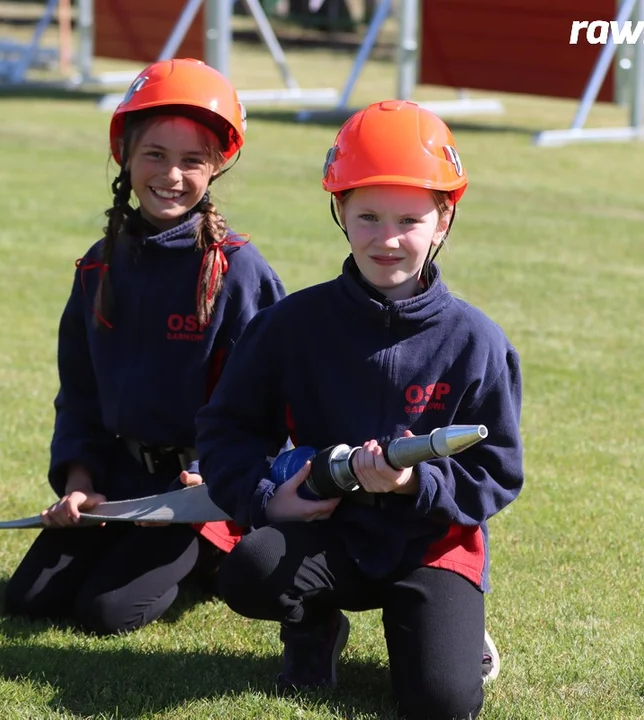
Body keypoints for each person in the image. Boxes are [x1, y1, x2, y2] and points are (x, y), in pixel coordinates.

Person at [194, 100, 524, 720]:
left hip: (429, 543)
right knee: (248, 570)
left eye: (409, 218)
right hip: (327, 533)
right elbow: (227, 428)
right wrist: (269, 498)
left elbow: (497, 473)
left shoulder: (478, 341)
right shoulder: (290, 326)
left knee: (442, 704)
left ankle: (443, 627)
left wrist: (415, 482)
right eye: (366, 215)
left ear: (444, 218)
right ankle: (315, 627)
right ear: (339, 211)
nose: (388, 238)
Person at [3, 58, 287, 636]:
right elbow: (79, 392)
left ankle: (212, 553)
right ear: (125, 156)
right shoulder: (100, 265)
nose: (172, 175)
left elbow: (273, 402)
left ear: (217, 167)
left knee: (105, 613)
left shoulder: (238, 271)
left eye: (192, 161)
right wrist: (80, 481)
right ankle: (128, 545)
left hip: (198, 494)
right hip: (118, 482)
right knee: (29, 600)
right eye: (155, 154)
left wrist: (213, 480)